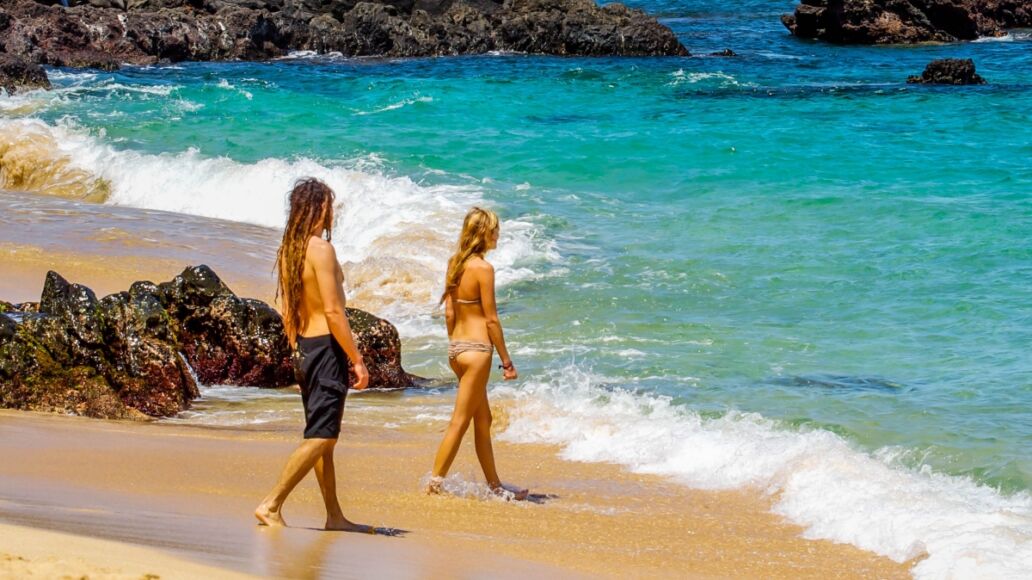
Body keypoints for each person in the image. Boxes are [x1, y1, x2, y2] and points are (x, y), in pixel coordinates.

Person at [255, 178, 370, 530]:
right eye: (329, 206)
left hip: (305, 347)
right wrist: (357, 360)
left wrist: (297, 349)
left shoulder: (291, 249)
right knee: (321, 435)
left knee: (324, 438)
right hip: (325, 349)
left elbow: (290, 308)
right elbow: (335, 313)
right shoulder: (320, 249)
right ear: (320, 208)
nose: (331, 212)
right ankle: (271, 504)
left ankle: (334, 516)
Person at [427, 207, 527, 500]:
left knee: (483, 420)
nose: (498, 234)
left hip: (457, 350)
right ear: (484, 233)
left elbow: (449, 312)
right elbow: (492, 319)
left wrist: (456, 345)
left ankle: (495, 486)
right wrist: (506, 361)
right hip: (478, 351)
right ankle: (433, 484)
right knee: (460, 421)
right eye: (495, 229)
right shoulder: (483, 269)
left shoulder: (455, 263)